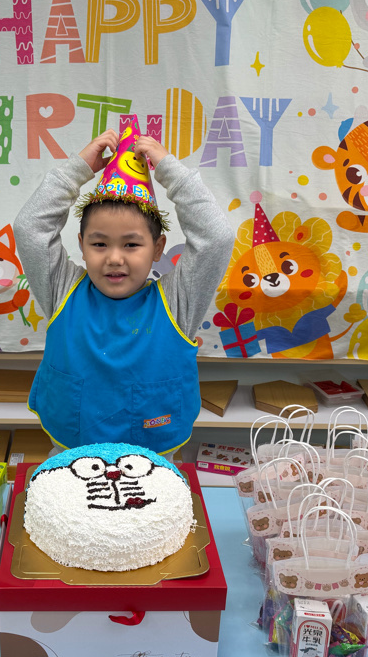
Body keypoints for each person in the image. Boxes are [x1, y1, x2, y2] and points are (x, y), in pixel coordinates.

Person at [15, 125, 235, 458]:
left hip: (154, 459)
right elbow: (30, 229)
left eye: (131, 244)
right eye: (99, 244)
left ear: (158, 248)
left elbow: (216, 238)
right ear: (82, 246)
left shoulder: (177, 302)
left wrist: (170, 170)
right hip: (70, 452)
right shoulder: (62, 289)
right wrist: (77, 170)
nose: (114, 258)